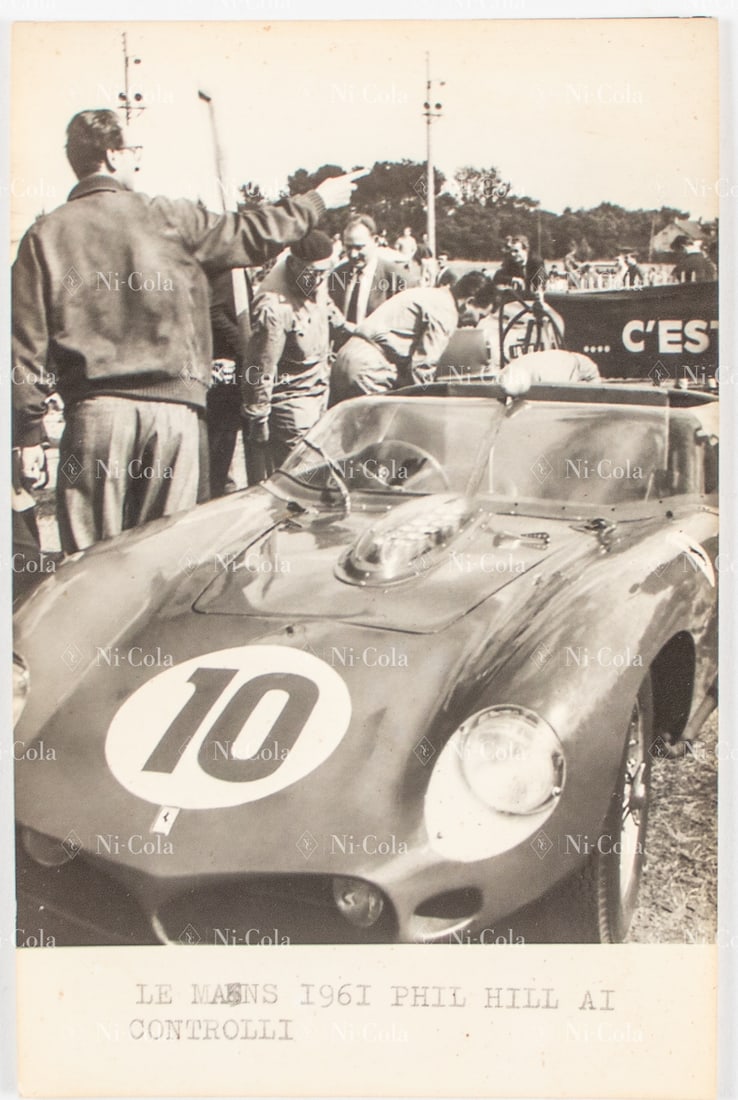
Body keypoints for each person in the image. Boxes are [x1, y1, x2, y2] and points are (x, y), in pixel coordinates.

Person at [12, 108, 359, 553]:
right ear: (114, 155)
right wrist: (316, 201)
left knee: (89, 569)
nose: (137, 161)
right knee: (164, 564)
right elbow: (251, 233)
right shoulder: (170, 217)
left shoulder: (44, 235)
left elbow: (25, 348)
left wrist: (28, 434)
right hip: (175, 418)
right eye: (133, 151)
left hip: (94, 418)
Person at [242, 230, 342, 478]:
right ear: (294, 264)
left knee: (318, 475)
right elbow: (260, 367)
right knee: (301, 480)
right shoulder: (274, 307)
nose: (320, 280)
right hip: (292, 409)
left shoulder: (314, 282)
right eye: (314, 273)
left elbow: (327, 309)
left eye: (325, 272)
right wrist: (259, 418)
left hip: (320, 396)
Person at [329, 271, 496, 403]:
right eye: (479, 316)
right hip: (369, 368)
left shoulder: (428, 294)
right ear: (469, 302)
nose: (475, 325)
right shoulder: (446, 312)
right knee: (374, 433)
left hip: (346, 357)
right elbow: (422, 367)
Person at [206, 267, 252, 497]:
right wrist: (245, 346)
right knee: (219, 443)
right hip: (224, 365)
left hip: (234, 364)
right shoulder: (224, 269)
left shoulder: (238, 269)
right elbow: (215, 312)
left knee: (227, 442)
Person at [328, 214, 409, 328]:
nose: (353, 254)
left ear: (375, 241)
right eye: (348, 247)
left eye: (359, 247)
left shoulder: (396, 277)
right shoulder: (337, 274)